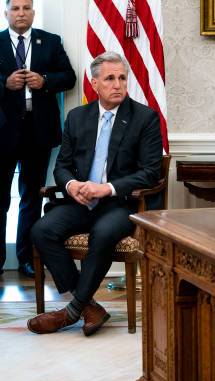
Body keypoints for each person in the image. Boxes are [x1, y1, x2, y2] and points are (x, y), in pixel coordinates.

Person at [27, 51, 162, 336]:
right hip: (82, 201)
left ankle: (70, 312)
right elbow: (62, 166)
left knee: (103, 232)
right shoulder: (77, 117)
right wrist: (71, 185)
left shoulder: (144, 117)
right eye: (110, 78)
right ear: (94, 83)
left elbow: (151, 172)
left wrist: (108, 187)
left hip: (122, 203)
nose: (117, 84)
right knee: (42, 230)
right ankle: (89, 307)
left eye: (122, 78)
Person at [0, 0, 76, 277]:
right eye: (16, 8)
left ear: (33, 12)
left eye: (26, 8)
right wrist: (4, 84)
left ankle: (26, 259)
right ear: (5, 12)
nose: (21, 13)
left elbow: (69, 77)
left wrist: (45, 80)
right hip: (3, 132)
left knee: (31, 197)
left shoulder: (51, 41)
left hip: (38, 132)